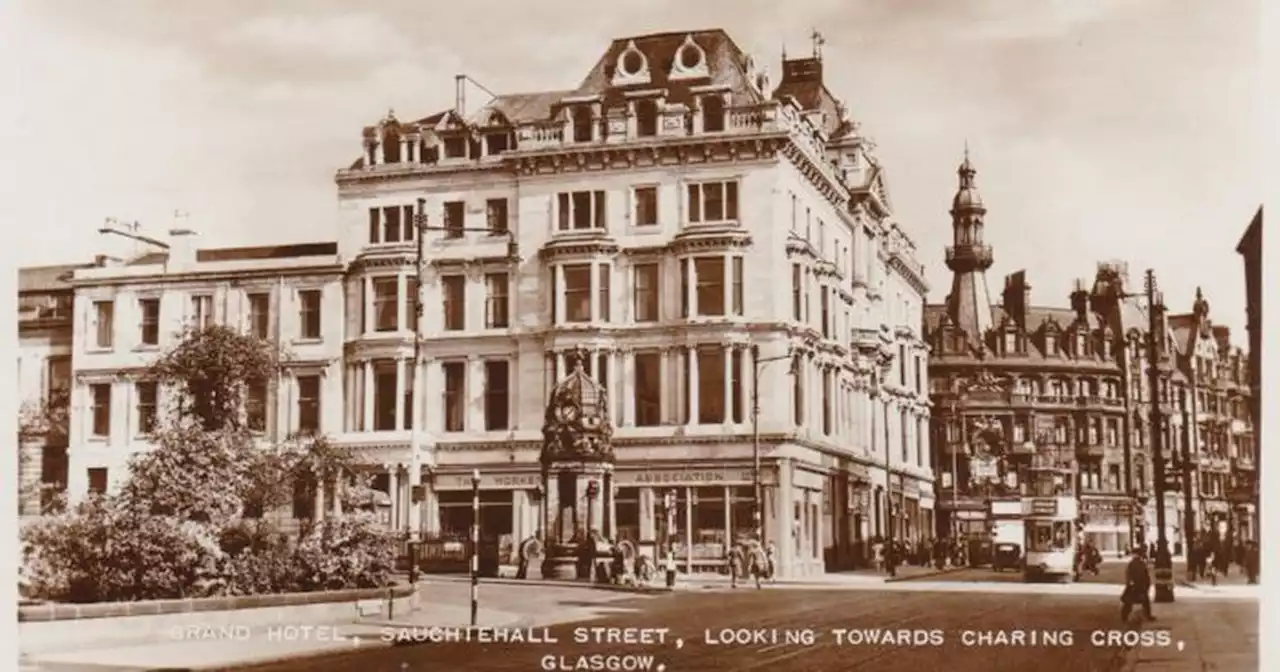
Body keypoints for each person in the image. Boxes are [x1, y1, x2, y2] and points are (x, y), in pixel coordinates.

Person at [1121, 548, 1155, 623]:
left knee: (1129, 602)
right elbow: (1146, 576)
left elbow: (1128, 575)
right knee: (1145, 602)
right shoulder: (1141, 563)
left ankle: (1124, 616)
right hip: (1140, 585)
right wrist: (1147, 585)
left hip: (1134, 586)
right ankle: (1148, 615)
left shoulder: (1132, 563)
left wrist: (1129, 583)